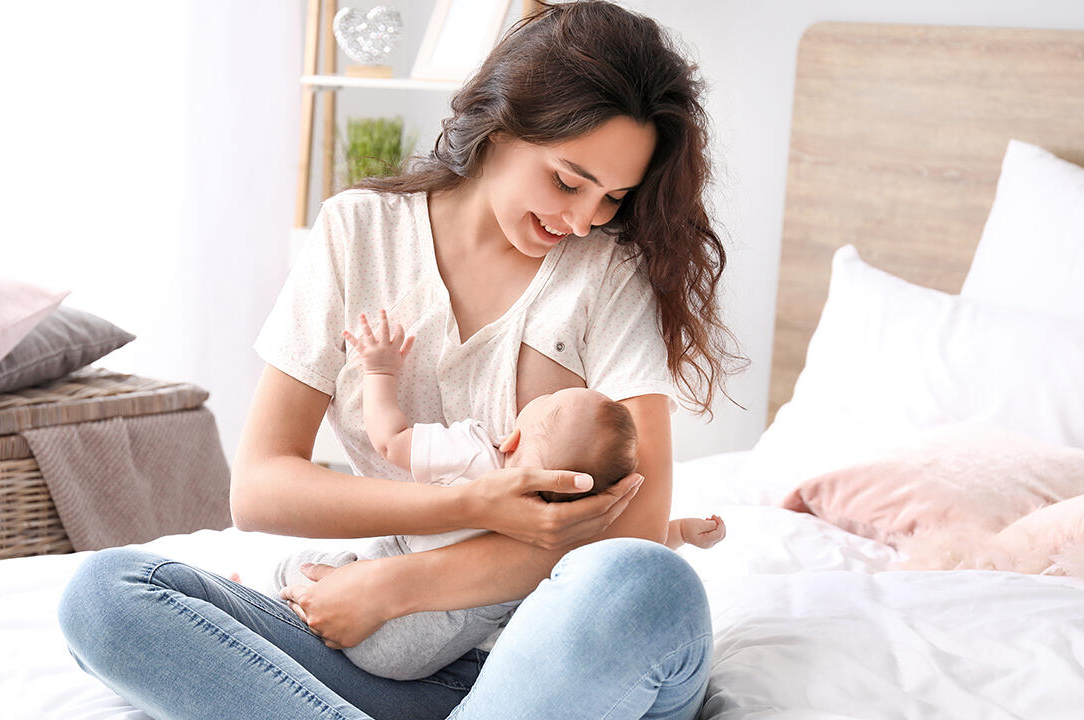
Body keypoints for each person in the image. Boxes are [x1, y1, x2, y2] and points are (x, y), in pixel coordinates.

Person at [57, 1, 744, 718]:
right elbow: (260, 488)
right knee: (106, 596)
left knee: (641, 583)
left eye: (613, 198)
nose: (580, 220)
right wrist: (463, 505)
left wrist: (399, 587)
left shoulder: (605, 273)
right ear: (503, 122)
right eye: (568, 181)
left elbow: (633, 531)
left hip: (555, 659)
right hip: (381, 660)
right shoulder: (359, 231)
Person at [256, 309, 664, 682]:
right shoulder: (564, 527)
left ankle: (270, 595)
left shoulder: (476, 452)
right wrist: (678, 530)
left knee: (294, 568)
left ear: (516, 436)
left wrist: (379, 371)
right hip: (431, 658)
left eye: (551, 398)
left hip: (370, 610)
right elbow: (628, 544)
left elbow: (391, 440)